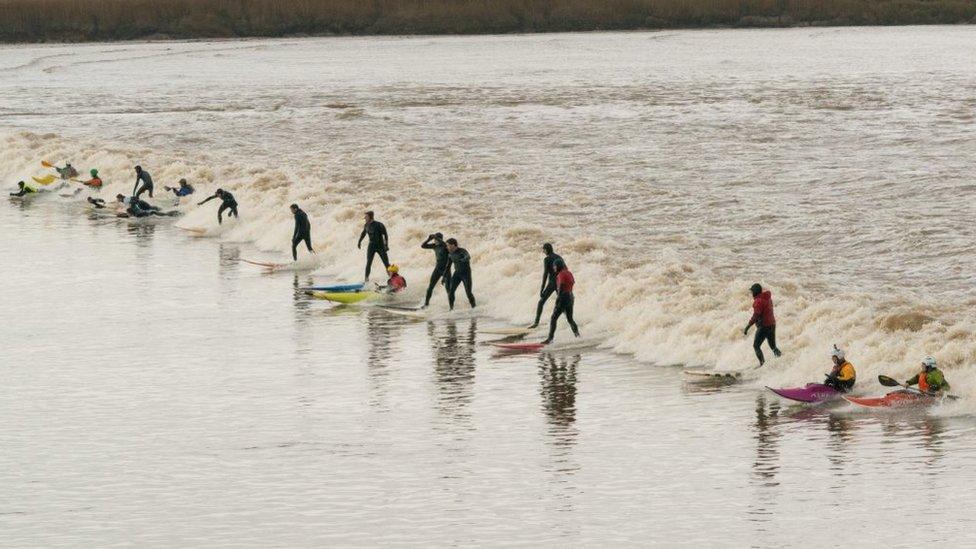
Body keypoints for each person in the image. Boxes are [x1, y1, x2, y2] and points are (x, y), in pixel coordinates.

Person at [543, 258, 580, 344]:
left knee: (553, 318)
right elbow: (572, 283)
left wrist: (558, 300)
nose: (554, 268)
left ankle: (550, 339)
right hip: (571, 297)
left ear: (558, 266)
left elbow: (560, 287)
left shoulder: (560, 275)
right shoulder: (569, 273)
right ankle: (577, 335)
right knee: (570, 319)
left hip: (563, 297)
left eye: (555, 266)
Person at [744, 283, 782, 366]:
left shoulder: (758, 301)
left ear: (755, 292)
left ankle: (762, 364)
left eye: (752, 291)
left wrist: (747, 327)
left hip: (764, 326)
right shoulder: (768, 298)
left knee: (756, 346)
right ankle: (782, 361)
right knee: (773, 347)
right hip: (772, 324)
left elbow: (755, 316)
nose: (751, 293)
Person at [531, 242, 563, 328]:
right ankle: (569, 322)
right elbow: (565, 270)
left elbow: (545, 274)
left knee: (541, 302)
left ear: (546, 250)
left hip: (552, 283)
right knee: (562, 302)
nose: (543, 251)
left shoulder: (547, 259)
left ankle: (536, 323)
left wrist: (542, 288)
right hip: (560, 283)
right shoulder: (559, 257)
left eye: (543, 250)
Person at [420, 232, 450, 308]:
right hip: (437, 269)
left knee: (448, 289)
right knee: (430, 287)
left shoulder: (445, 246)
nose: (435, 241)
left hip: (446, 270)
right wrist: (429, 239)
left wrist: (436, 238)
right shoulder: (434, 246)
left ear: (440, 239)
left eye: (436, 239)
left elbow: (444, 244)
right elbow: (423, 246)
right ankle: (426, 304)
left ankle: (451, 306)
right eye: (434, 240)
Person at [357, 211, 389, 281]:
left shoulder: (379, 224)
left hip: (380, 246)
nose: (364, 218)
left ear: (370, 217)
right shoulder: (366, 225)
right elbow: (363, 234)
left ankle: (392, 279)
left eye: (366, 216)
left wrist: (386, 245)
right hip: (371, 246)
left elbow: (385, 234)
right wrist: (359, 242)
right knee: (368, 263)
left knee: (386, 263)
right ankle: (366, 280)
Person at [446, 238, 476, 310]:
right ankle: (451, 309)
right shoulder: (450, 254)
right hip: (457, 274)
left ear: (453, 245)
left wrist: (462, 260)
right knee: (451, 291)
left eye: (448, 245)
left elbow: (468, 256)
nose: (447, 247)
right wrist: (444, 276)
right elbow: (448, 266)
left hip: (466, 274)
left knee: (468, 293)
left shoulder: (462, 251)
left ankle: (474, 308)